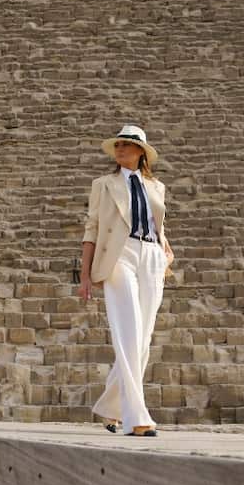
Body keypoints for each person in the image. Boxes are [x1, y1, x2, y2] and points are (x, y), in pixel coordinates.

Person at [78, 124, 175, 437]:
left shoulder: (156, 186)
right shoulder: (103, 184)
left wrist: (166, 253)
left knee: (143, 338)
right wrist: (85, 275)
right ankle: (137, 418)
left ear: (141, 152)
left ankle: (110, 407)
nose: (120, 150)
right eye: (118, 145)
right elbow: (91, 229)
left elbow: (158, 225)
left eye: (127, 145)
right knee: (129, 334)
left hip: (151, 257)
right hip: (119, 256)